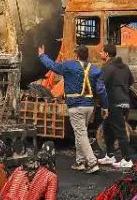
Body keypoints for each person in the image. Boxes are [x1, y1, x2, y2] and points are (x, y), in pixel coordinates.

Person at [38, 45, 109, 174]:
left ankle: (92, 163)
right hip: (89, 107)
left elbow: (52, 66)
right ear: (86, 56)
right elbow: (101, 91)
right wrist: (104, 107)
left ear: (76, 56)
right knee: (80, 133)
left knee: (81, 134)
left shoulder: (69, 66)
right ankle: (80, 162)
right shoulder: (95, 69)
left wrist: (42, 55)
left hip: (76, 106)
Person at [96, 45, 135, 170]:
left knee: (120, 131)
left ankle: (127, 160)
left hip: (113, 103)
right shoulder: (125, 67)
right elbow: (131, 81)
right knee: (107, 128)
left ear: (107, 54)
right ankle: (110, 155)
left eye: (101, 51)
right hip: (124, 101)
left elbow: (101, 84)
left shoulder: (107, 67)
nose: (100, 53)